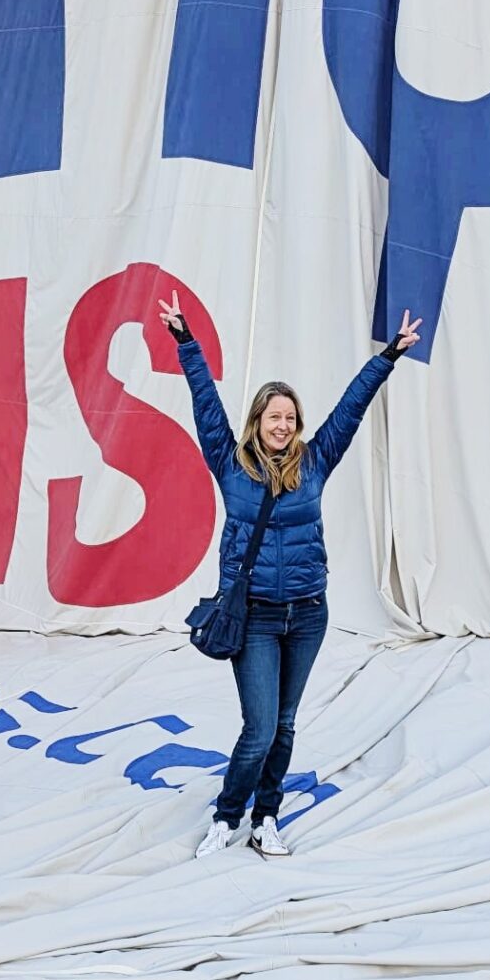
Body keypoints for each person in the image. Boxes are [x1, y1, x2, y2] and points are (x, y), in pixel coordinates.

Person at [158, 290, 420, 859]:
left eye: (291, 417)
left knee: (284, 725)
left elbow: (351, 407)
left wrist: (388, 357)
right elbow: (205, 403)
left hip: (307, 613)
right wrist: (186, 341)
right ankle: (227, 817)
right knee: (258, 729)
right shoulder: (231, 464)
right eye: (274, 416)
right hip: (251, 616)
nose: (283, 424)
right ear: (257, 421)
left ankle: (266, 816)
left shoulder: (316, 460)